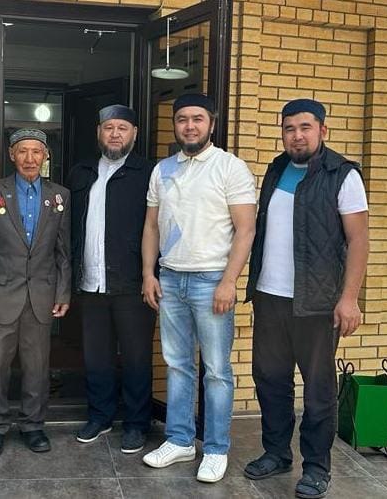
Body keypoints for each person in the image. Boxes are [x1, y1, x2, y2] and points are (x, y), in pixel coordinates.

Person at [243, 99, 368, 499]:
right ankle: (276, 452)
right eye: (289, 129)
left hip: (317, 303)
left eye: (305, 127)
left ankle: (316, 466)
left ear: (322, 130)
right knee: (270, 380)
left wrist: (349, 299)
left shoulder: (342, 174)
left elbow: (358, 241)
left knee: (318, 390)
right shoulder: (276, 169)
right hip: (270, 297)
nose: (296, 136)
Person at [141, 93, 256, 483]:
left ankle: (216, 448)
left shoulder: (230, 167)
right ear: (175, 125)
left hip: (212, 281)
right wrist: (149, 273)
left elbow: (246, 229)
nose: (189, 126)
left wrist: (229, 281)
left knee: (217, 371)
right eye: (182, 119)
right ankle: (180, 440)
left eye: (197, 119)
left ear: (211, 123)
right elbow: (151, 226)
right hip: (171, 278)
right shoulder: (162, 170)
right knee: (177, 365)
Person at [0, 128, 71, 457]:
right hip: (0, 294)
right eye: (23, 151)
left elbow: (63, 252)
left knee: (37, 366)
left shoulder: (60, 196)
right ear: (12, 155)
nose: (30, 158)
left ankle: (33, 424)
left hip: (41, 294)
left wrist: (63, 292)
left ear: (45, 156)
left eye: (36, 152)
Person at [68, 105, 155, 454]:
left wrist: (152, 274)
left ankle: (136, 423)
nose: (115, 134)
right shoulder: (81, 172)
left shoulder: (148, 173)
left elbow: (158, 226)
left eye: (122, 128)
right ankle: (100, 415)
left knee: (136, 357)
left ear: (134, 133)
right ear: (99, 132)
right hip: (90, 282)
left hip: (133, 283)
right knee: (97, 356)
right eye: (109, 127)